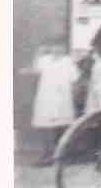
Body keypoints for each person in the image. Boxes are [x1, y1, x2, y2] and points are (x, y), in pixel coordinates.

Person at [31, 38, 79, 166]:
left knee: (61, 126)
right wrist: (38, 53)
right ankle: (46, 154)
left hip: (62, 98)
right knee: (45, 126)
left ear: (64, 49)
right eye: (54, 46)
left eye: (60, 47)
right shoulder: (44, 60)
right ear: (50, 47)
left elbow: (74, 79)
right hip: (46, 97)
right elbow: (36, 70)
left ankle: (60, 156)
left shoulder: (68, 61)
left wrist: (73, 97)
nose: (57, 50)